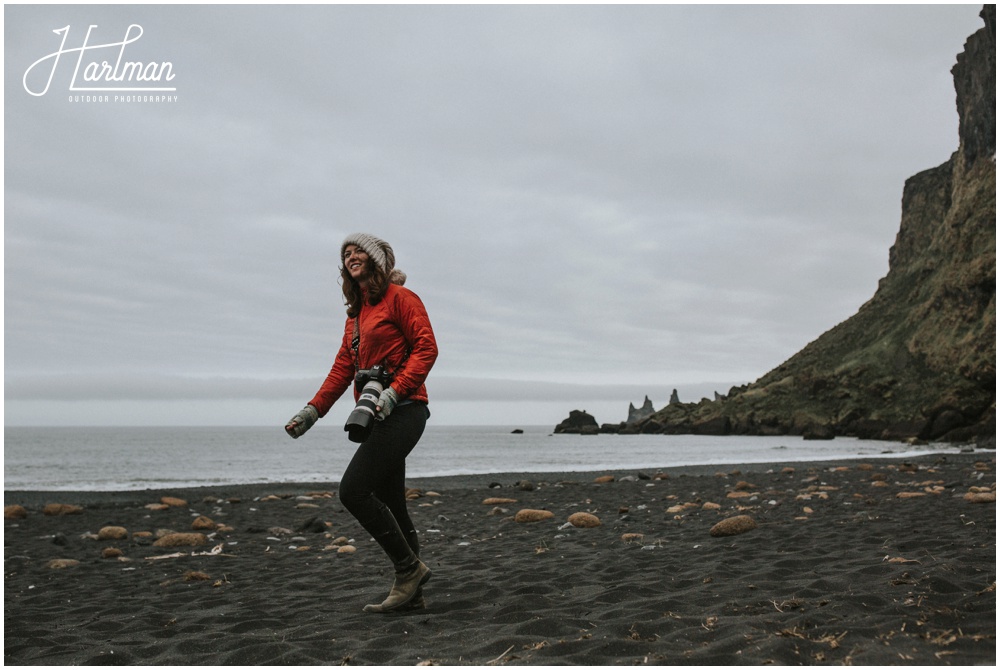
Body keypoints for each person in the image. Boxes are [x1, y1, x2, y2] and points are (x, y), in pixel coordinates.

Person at [285, 233, 438, 613]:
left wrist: (395, 391)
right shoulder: (355, 317)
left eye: (359, 251)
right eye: (346, 254)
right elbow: (342, 369)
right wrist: (313, 410)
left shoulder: (403, 299)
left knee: (352, 490)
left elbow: (426, 347)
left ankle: (408, 570)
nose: (352, 256)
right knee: (392, 504)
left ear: (376, 259)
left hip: (404, 410)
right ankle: (412, 595)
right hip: (375, 416)